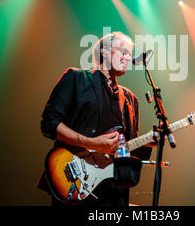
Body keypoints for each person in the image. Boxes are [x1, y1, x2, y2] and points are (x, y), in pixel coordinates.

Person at [37, 31, 153, 206]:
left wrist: (149, 142)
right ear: (104, 52)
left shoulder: (130, 99)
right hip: (76, 181)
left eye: (130, 53)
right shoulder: (76, 79)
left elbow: (128, 149)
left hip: (113, 188)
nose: (128, 57)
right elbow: (49, 123)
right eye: (123, 51)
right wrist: (92, 143)